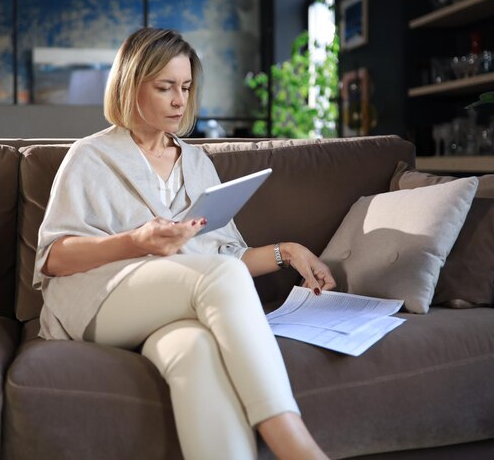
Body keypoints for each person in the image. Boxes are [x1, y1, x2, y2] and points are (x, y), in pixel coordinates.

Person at [33, 27, 335, 460]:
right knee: (219, 280)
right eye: (165, 87)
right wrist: (136, 242)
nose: (180, 100)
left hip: (178, 303)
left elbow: (223, 259)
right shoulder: (89, 156)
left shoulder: (197, 162)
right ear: (131, 86)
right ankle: (295, 444)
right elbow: (54, 259)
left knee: (195, 350)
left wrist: (288, 252)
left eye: (186, 87)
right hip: (100, 301)